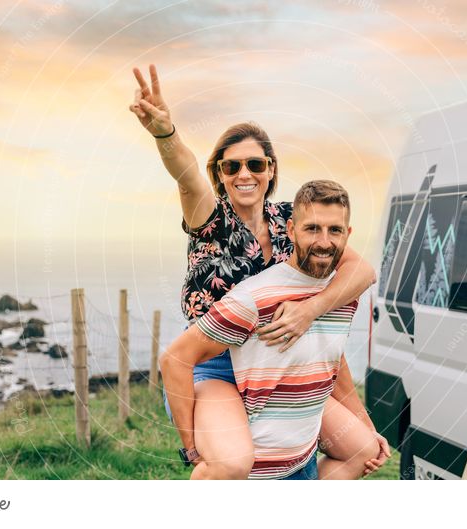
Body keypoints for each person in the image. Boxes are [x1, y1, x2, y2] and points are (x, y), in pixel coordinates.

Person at [129, 64, 390, 479]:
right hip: (217, 369)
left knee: (361, 451)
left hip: (278, 365)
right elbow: (186, 176)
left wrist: (311, 309)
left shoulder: (293, 220)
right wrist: (165, 133)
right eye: (231, 167)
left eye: (254, 164)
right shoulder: (209, 218)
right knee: (233, 464)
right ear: (219, 174)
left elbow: (361, 271)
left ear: (270, 169)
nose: (244, 174)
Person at [161, 180, 384, 479]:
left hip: (299, 460)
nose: (324, 241)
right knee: (229, 464)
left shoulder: (344, 294)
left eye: (335, 230)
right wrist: (192, 449)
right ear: (291, 230)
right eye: (312, 229)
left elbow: (330, 362)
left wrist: (364, 426)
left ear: (348, 235)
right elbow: (175, 359)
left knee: (363, 450)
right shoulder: (253, 297)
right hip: (253, 472)